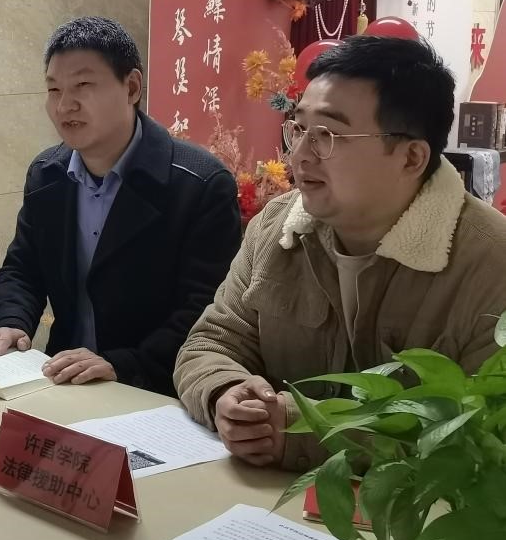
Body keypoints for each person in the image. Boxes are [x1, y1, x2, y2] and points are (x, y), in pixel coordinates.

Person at [175, 36, 506, 472]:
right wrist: (226, 392)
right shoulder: (277, 226)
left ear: (411, 157)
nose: (299, 155)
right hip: (258, 496)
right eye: (298, 130)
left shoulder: (491, 263)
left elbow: (480, 434)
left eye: (328, 135)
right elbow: (210, 342)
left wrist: (301, 431)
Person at [0, 16, 240, 396]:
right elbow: (23, 269)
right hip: (63, 381)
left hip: (156, 389)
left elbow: (204, 311)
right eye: (54, 89)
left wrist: (123, 364)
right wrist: (10, 321)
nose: (64, 105)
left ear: (131, 87)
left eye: (83, 85)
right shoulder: (47, 174)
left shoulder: (200, 184)